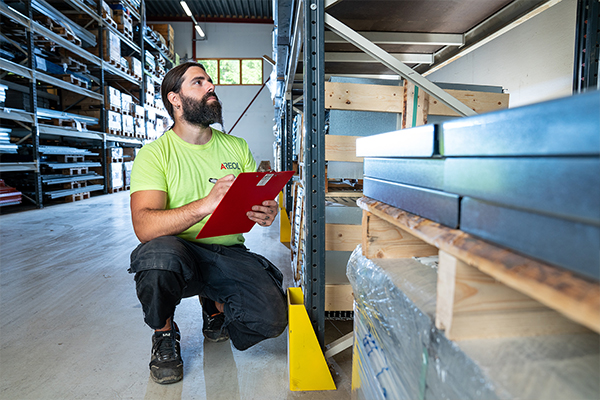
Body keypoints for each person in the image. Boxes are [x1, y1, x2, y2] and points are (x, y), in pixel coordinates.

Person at [128, 62, 287, 385]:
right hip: (179, 254)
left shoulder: (236, 147)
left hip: (227, 253)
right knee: (156, 258)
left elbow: (249, 206)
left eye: (210, 81)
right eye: (198, 82)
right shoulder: (155, 154)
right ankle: (164, 333)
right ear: (175, 99)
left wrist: (264, 212)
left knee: (272, 318)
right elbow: (144, 226)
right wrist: (205, 204)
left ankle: (214, 306)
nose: (211, 86)